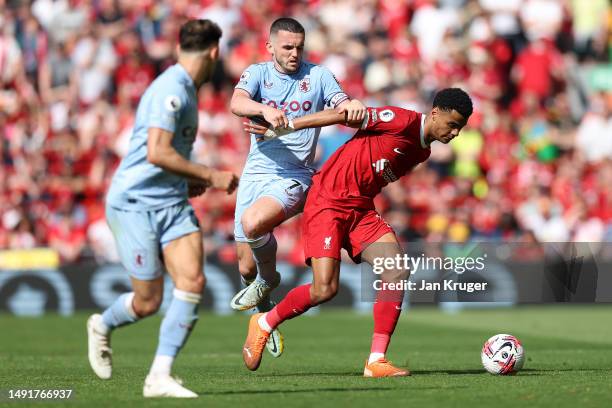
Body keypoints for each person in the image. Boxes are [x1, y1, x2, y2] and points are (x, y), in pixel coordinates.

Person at [241, 88, 473, 376]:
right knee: (324, 289)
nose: (455, 133)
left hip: (360, 208)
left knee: (396, 269)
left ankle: (376, 360)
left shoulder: (422, 151)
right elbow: (342, 115)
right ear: (435, 113)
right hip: (327, 201)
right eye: (452, 124)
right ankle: (264, 322)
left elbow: (377, 169)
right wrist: (286, 127)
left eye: (460, 128)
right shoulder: (400, 120)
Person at [86, 19, 239, 398]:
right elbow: (157, 152)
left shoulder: (185, 87)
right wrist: (210, 174)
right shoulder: (171, 89)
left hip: (171, 201)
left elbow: (164, 156)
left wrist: (185, 181)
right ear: (215, 52)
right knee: (148, 301)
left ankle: (159, 376)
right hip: (134, 203)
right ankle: (102, 325)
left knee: (192, 282)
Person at [228, 17, 365, 357]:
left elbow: (341, 104)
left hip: (296, 174)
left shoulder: (317, 76)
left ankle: (269, 279)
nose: (294, 53)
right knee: (245, 266)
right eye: (287, 47)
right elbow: (237, 103)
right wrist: (264, 109)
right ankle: (264, 311)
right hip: (255, 174)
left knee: (253, 224)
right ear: (270, 46)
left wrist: (351, 106)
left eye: (299, 47)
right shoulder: (257, 73)